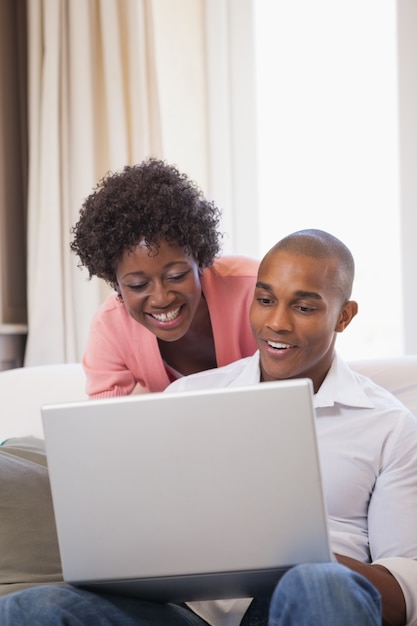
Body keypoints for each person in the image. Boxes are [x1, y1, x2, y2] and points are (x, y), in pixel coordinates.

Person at [1, 229, 416, 625]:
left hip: (303, 605)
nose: (277, 323)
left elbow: (405, 591)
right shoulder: (188, 397)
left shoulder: (388, 425)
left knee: (318, 583)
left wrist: (303, 554)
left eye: (304, 307)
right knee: (35, 608)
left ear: (344, 316)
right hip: (189, 614)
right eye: (265, 300)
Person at [69, 157, 259, 397]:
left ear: (200, 260)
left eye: (176, 275)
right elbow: (102, 421)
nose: (161, 298)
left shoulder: (256, 289)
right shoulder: (111, 327)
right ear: (115, 283)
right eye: (138, 285)